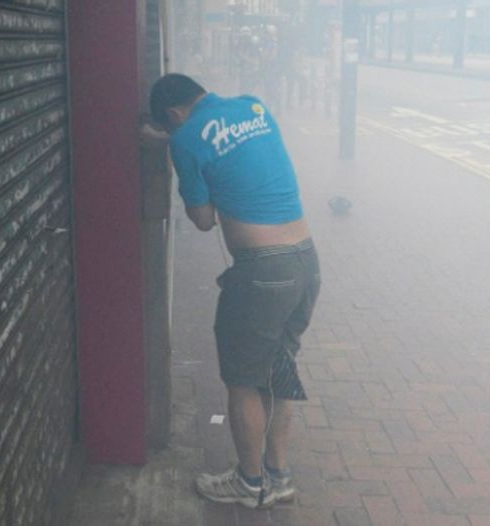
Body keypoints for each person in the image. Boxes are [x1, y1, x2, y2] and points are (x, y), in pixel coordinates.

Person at [146, 74, 321, 509]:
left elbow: (203, 219)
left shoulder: (183, 138)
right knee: (279, 372)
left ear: (172, 115)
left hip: (262, 272)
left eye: (170, 127)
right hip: (305, 262)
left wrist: (176, 150)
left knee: (242, 380)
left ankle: (249, 483)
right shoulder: (252, 106)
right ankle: (277, 478)